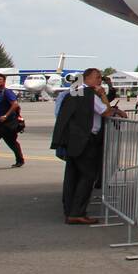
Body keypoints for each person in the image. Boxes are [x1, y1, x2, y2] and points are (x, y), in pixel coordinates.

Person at [51, 68, 118, 224]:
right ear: (86, 78)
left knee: (71, 176)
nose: (99, 80)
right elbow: (106, 113)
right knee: (88, 175)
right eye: (97, 77)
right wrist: (102, 95)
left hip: (71, 141)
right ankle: (77, 212)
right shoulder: (89, 95)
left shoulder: (73, 93)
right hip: (85, 140)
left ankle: (69, 209)